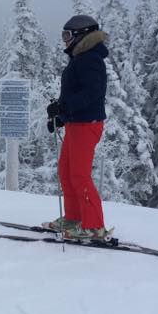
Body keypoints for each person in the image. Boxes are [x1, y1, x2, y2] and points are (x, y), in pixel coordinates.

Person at [45, 14, 109, 239]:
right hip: (76, 123)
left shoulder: (90, 59)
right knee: (66, 171)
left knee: (80, 175)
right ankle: (74, 218)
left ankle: (94, 226)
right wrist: (61, 115)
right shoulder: (80, 58)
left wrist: (65, 109)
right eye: (63, 35)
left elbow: (93, 94)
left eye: (67, 35)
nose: (64, 40)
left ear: (82, 35)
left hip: (86, 124)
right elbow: (76, 94)